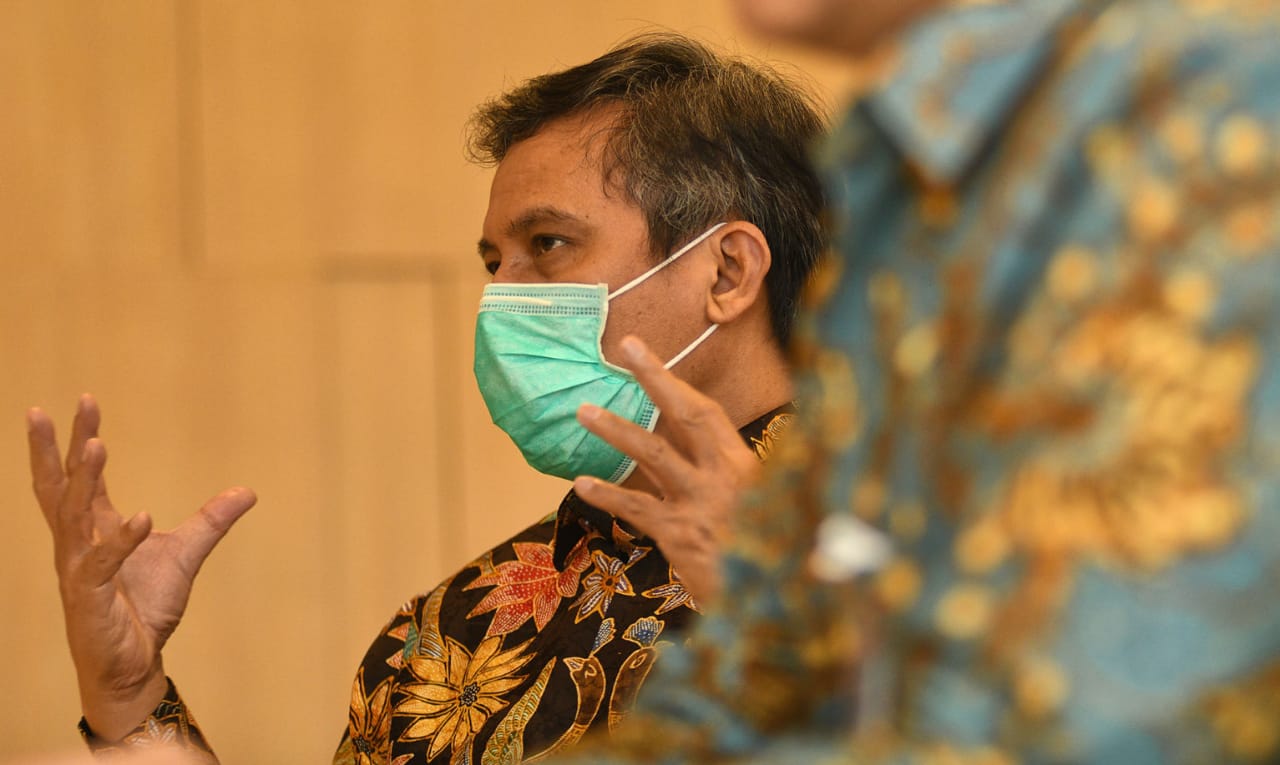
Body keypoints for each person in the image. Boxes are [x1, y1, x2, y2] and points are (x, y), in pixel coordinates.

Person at [25, 34, 827, 764]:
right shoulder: (452, 630)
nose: (501, 298)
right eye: (494, 262)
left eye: (547, 245)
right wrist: (128, 699)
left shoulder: (881, 560)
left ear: (728, 273)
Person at [530, 0, 1280, 763]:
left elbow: (1088, 724)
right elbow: (760, 668)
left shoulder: (1219, 118)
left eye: (547, 244)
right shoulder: (903, 179)